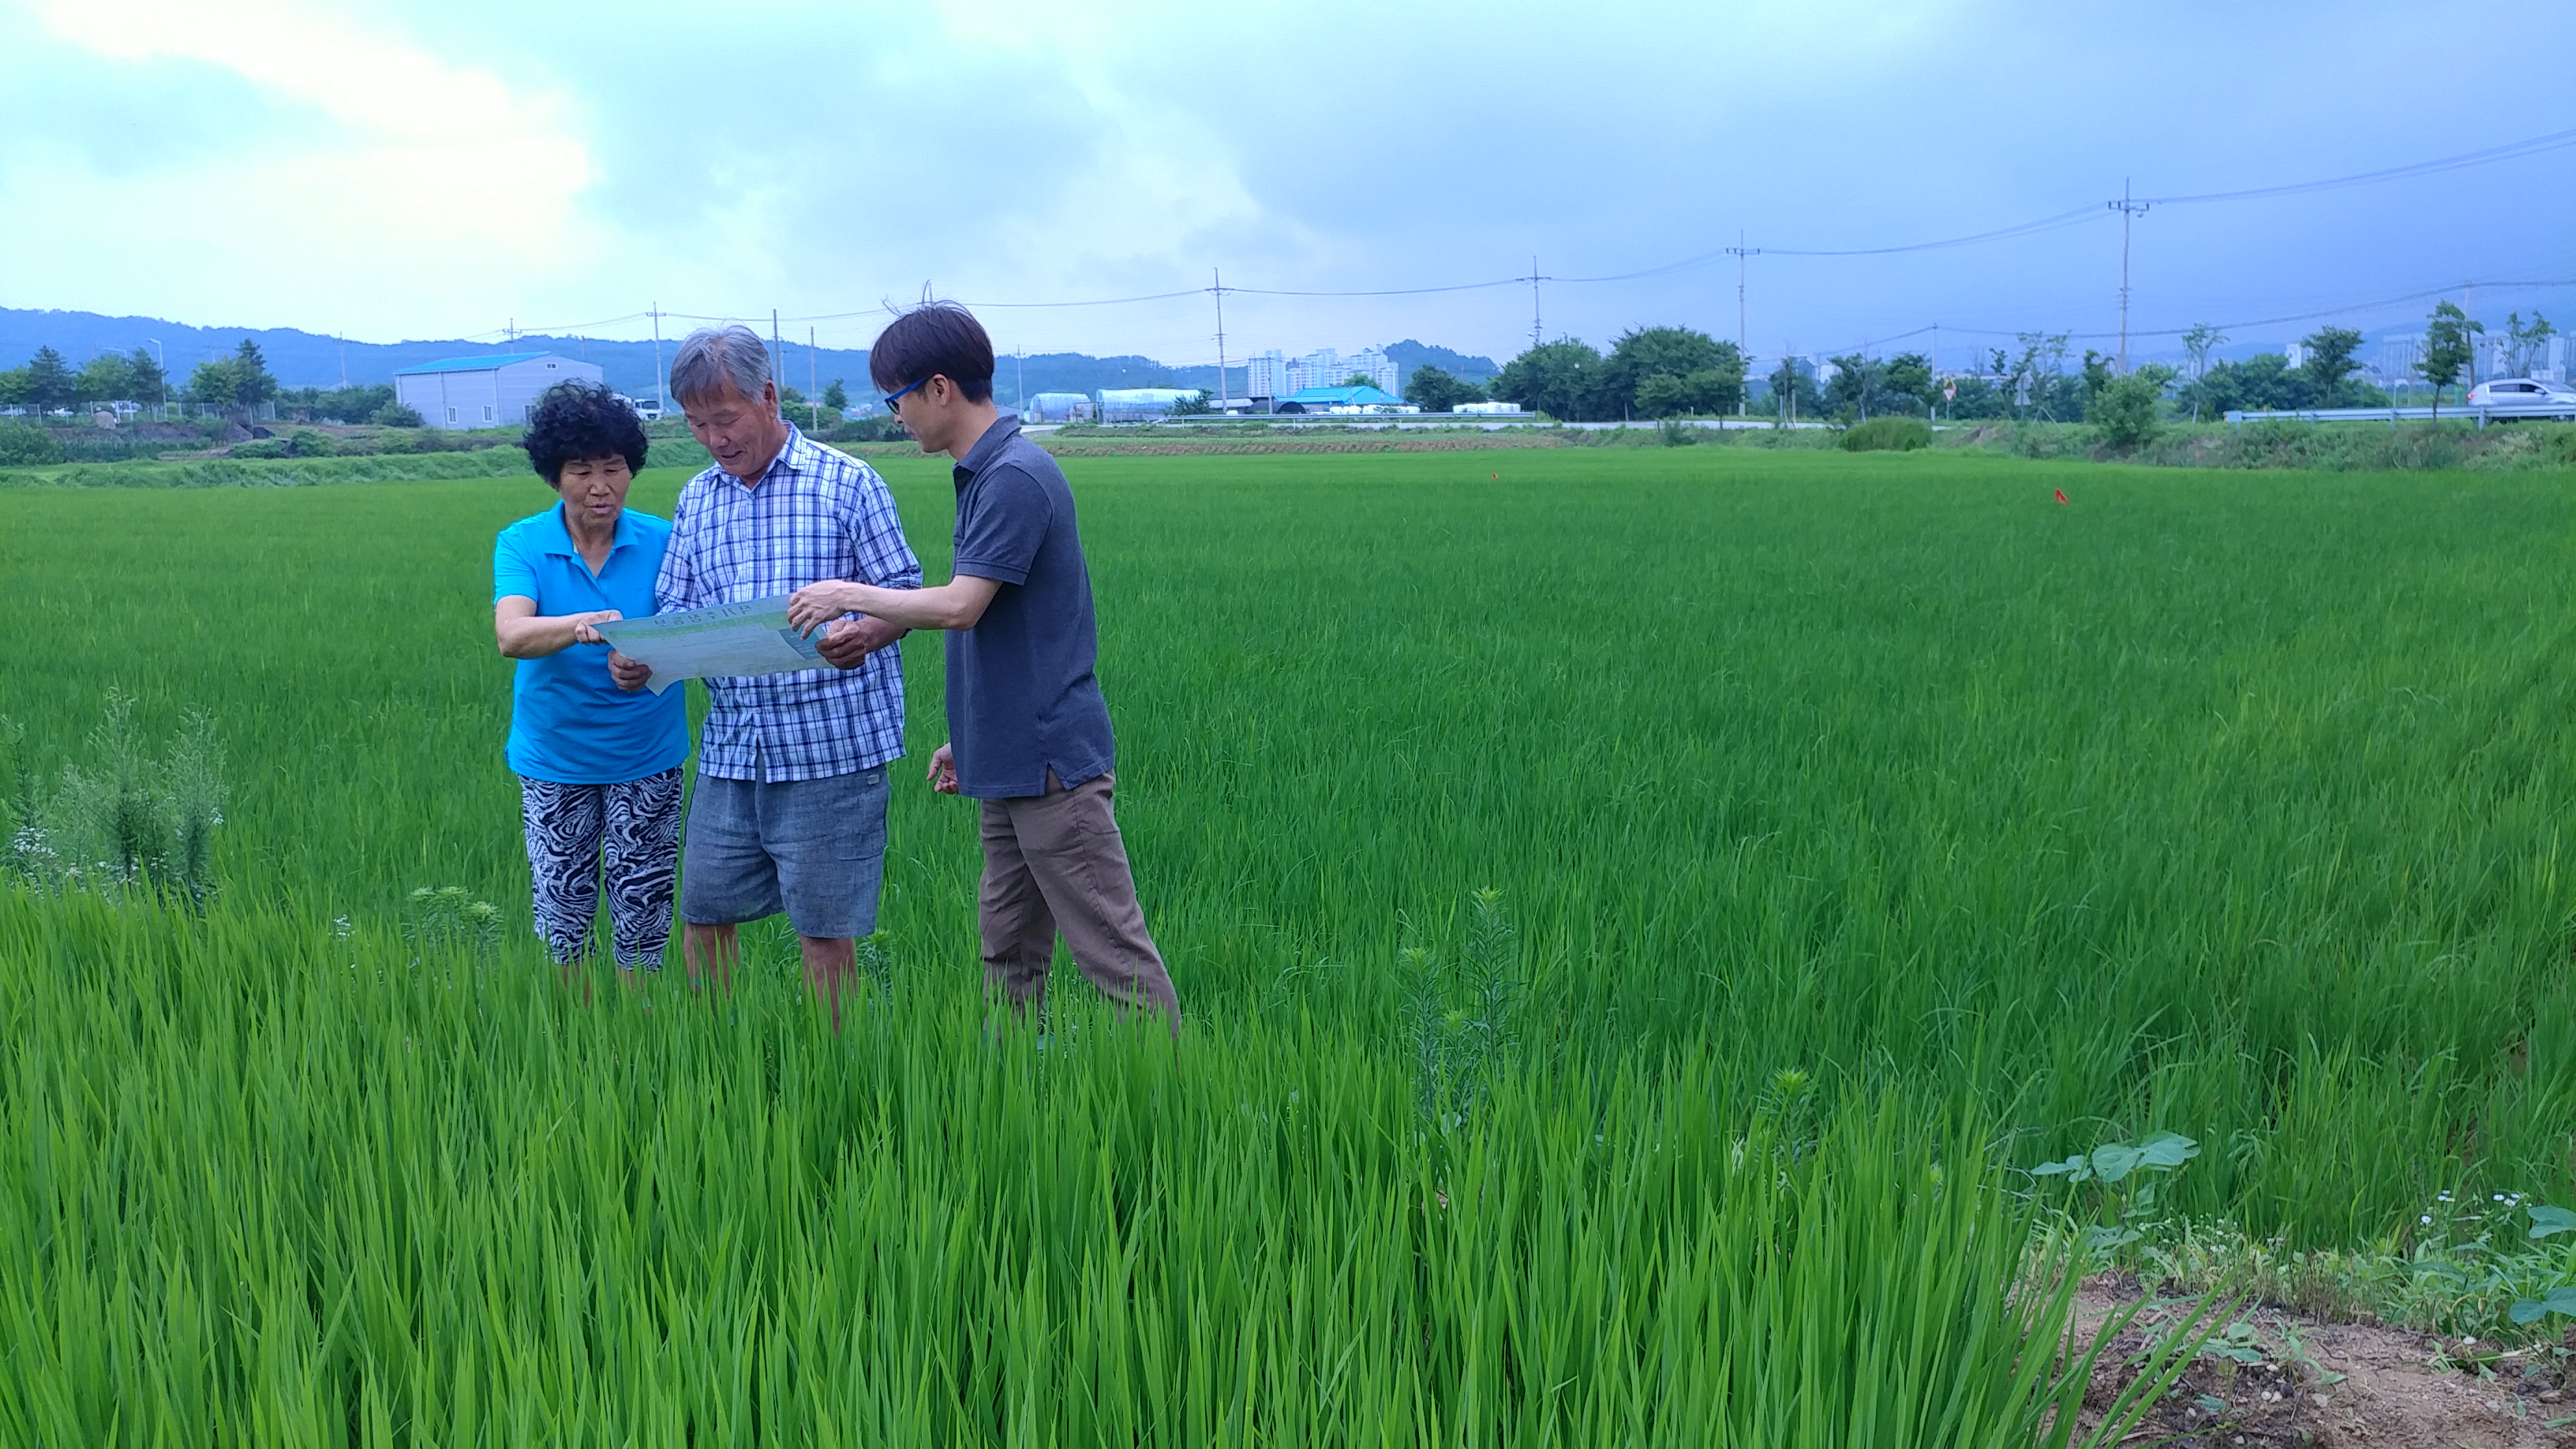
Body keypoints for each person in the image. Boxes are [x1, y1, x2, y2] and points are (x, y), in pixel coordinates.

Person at [786, 303, 1180, 1029]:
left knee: (1114, 959)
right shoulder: (983, 473)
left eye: (894, 398)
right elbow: (1000, 628)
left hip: (1053, 764)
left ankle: (1169, 1106)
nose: (894, 416)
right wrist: (969, 739)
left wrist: (846, 595)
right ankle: (1013, 1091)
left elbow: (962, 606)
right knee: (1007, 951)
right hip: (1007, 760)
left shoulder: (1014, 477)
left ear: (938, 388)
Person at [612, 324, 919, 1023]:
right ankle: (718, 1056)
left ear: (769, 396)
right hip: (735, 749)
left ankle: (831, 1069)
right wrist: (644, 656)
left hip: (830, 747)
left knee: (823, 931)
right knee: (704, 913)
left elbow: (905, 596)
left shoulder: (847, 482)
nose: (715, 439)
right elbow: (677, 606)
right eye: (696, 425)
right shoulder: (698, 499)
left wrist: (866, 632)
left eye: (725, 419)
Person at [492, 381, 690, 978]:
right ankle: (574, 1040)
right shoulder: (524, 543)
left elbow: (693, 630)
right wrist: (587, 625)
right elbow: (513, 636)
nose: (600, 486)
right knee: (563, 918)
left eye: (614, 468)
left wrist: (650, 659)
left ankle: (637, 1034)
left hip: (647, 755)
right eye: (581, 471)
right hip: (556, 759)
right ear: (554, 476)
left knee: (644, 914)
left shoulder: (665, 539)